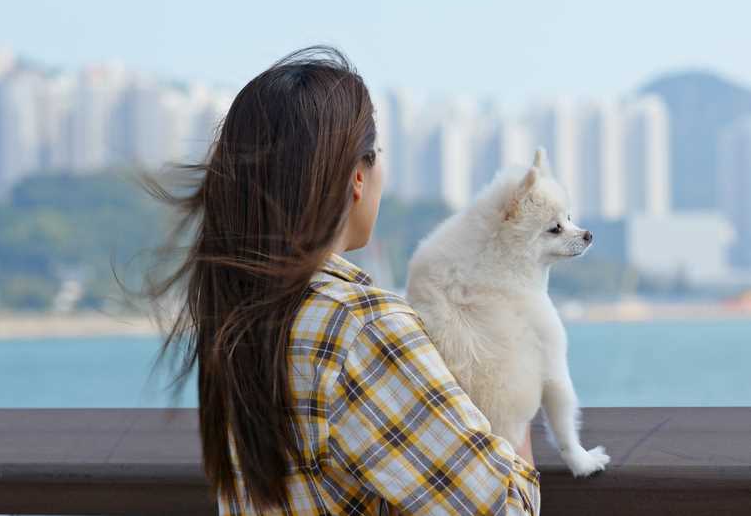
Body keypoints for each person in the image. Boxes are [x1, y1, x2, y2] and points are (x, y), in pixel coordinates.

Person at [136, 45, 540, 515]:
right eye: (378, 153)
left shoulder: (236, 315)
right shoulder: (360, 324)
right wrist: (516, 384)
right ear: (356, 178)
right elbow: (507, 507)